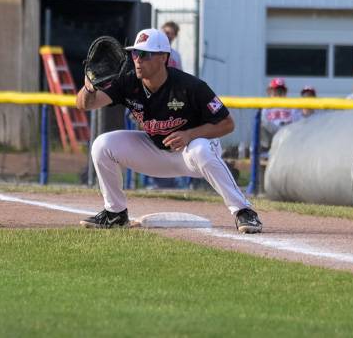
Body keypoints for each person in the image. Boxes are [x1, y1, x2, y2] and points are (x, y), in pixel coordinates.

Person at [76, 28, 262, 234]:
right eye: (135, 53)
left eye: (145, 54)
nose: (138, 59)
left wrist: (189, 134)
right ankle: (115, 214)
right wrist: (89, 88)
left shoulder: (190, 86)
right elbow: (86, 105)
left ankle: (244, 211)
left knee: (201, 149)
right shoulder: (127, 82)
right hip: (155, 152)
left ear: (164, 57)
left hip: (191, 154)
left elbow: (227, 124)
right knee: (103, 145)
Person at [259, 78, 301, 153]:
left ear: (285, 93)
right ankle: (265, 150)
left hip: (287, 133)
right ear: (270, 93)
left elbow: (298, 122)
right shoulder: (266, 107)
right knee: (260, 123)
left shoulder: (292, 106)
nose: (278, 95)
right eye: (275, 92)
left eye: (281, 92)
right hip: (272, 134)